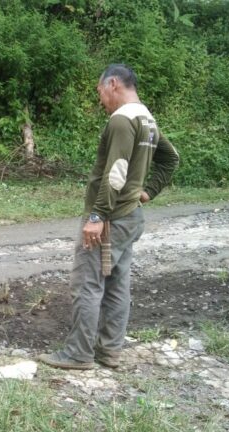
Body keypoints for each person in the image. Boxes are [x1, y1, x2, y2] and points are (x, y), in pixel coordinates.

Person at [38, 64, 180, 369]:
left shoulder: (121, 120)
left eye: (100, 91)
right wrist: (147, 192)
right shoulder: (147, 118)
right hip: (131, 216)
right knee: (117, 285)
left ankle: (78, 353)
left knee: (88, 284)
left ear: (113, 84)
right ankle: (109, 351)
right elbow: (171, 158)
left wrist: (97, 216)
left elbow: (116, 172)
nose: (101, 100)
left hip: (111, 218)